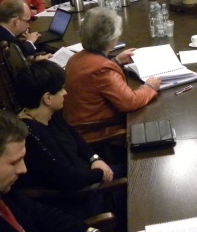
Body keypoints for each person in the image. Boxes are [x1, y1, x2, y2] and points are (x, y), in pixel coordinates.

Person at [14, 61, 124, 221]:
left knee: (136, 168)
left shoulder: (50, 114)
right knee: (140, 180)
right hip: (78, 198)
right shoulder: (33, 135)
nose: (65, 93)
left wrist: (95, 159)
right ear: (47, 98)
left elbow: (76, 139)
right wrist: (101, 173)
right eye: (61, 89)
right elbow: (69, 179)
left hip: (88, 176)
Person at [63, 7, 161, 127]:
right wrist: (149, 87)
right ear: (111, 39)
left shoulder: (75, 58)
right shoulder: (103, 69)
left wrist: (116, 61)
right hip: (98, 129)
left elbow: (95, 77)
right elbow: (131, 102)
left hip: (76, 123)